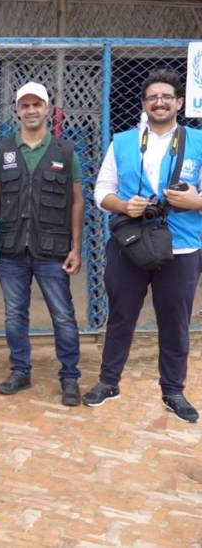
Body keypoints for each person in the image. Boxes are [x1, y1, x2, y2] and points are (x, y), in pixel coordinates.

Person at [83, 69, 202, 423]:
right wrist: (123, 206)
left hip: (181, 247)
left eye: (167, 96)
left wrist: (195, 203)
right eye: (153, 97)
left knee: (175, 321)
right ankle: (109, 382)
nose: (160, 102)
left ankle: (173, 390)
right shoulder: (122, 141)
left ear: (179, 103)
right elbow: (101, 190)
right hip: (129, 244)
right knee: (121, 316)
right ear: (144, 104)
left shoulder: (197, 141)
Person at [0, 82, 83, 406]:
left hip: (52, 250)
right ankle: (20, 371)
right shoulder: (4, 150)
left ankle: (70, 377)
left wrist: (76, 247)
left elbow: (77, 202)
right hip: (12, 248)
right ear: (17, 111)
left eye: (36, 104)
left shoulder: (66, 152)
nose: (30, 110)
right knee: (14, 314)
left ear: (47, 109)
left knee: (63, 315)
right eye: (24, 105)